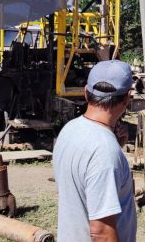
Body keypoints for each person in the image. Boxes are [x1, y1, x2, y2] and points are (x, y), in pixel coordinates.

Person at [53, 60, 136, 242]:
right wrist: (111, 149)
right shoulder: (104, 151)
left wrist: (115, 146)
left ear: (85, 93)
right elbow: (101, 233)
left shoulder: (69, 130)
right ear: (127, 98)